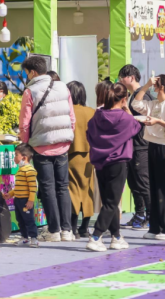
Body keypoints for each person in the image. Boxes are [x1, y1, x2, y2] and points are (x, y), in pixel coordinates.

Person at [19, 56, 75, 242]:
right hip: (63, 144)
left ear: (33, 72)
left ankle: (54, 230)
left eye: (27, 73)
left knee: (48, 188)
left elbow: (24, 123)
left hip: (41, 146)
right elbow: (71, 116)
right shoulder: (63, 87)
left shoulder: (30, 91)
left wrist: (26, 144)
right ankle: (67, 230)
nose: (26, 76)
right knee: (63, 187)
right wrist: (68, 136)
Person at [86, 83, 141, 252]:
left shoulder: (97, 115)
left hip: (100, 162)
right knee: (112, 202)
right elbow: (136, 126)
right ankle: (96, 236)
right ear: (124, 99)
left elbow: (89, 133)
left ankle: (116, 236)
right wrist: (127, 110)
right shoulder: (125, 118)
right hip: (118, 162)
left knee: (109, 201)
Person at [131, 75, 165, 241]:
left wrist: (157, 121)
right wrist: (145, 86)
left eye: (155, 84)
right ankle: (156, 227)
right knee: (155, 187)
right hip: (153, 146)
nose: (153, 86)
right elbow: (135, 104)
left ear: (161, 86)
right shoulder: (154, 103)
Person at [118, 65, 152, 230]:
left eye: (121, 77)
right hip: (131, 144)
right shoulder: (131, 95)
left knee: (143, 182)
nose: (119, 80)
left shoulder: (143, 95)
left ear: (131, 77)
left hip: (142, 144)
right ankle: (139, 214)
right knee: (133, 181)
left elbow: (147, 119)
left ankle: (151, 216)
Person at [66, 81, 96, 239]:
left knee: (73, 190)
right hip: (89, 156)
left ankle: (72, 227)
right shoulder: (91, 112)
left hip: (70, 154)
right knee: (87, 189)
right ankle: (84, 227)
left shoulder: (67, 112)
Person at [5, 143, 39, 248]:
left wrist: (30, 200)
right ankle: (25, 238)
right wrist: (10, 194)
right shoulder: (20, 170)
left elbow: (33, 187)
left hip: (25, 200)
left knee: (29, 220)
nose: (14, 158)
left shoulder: (30, 170)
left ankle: (34, 238)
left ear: (24, 157)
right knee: (20, 220)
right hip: (18, 200)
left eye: (16, 155)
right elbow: (19, 186)